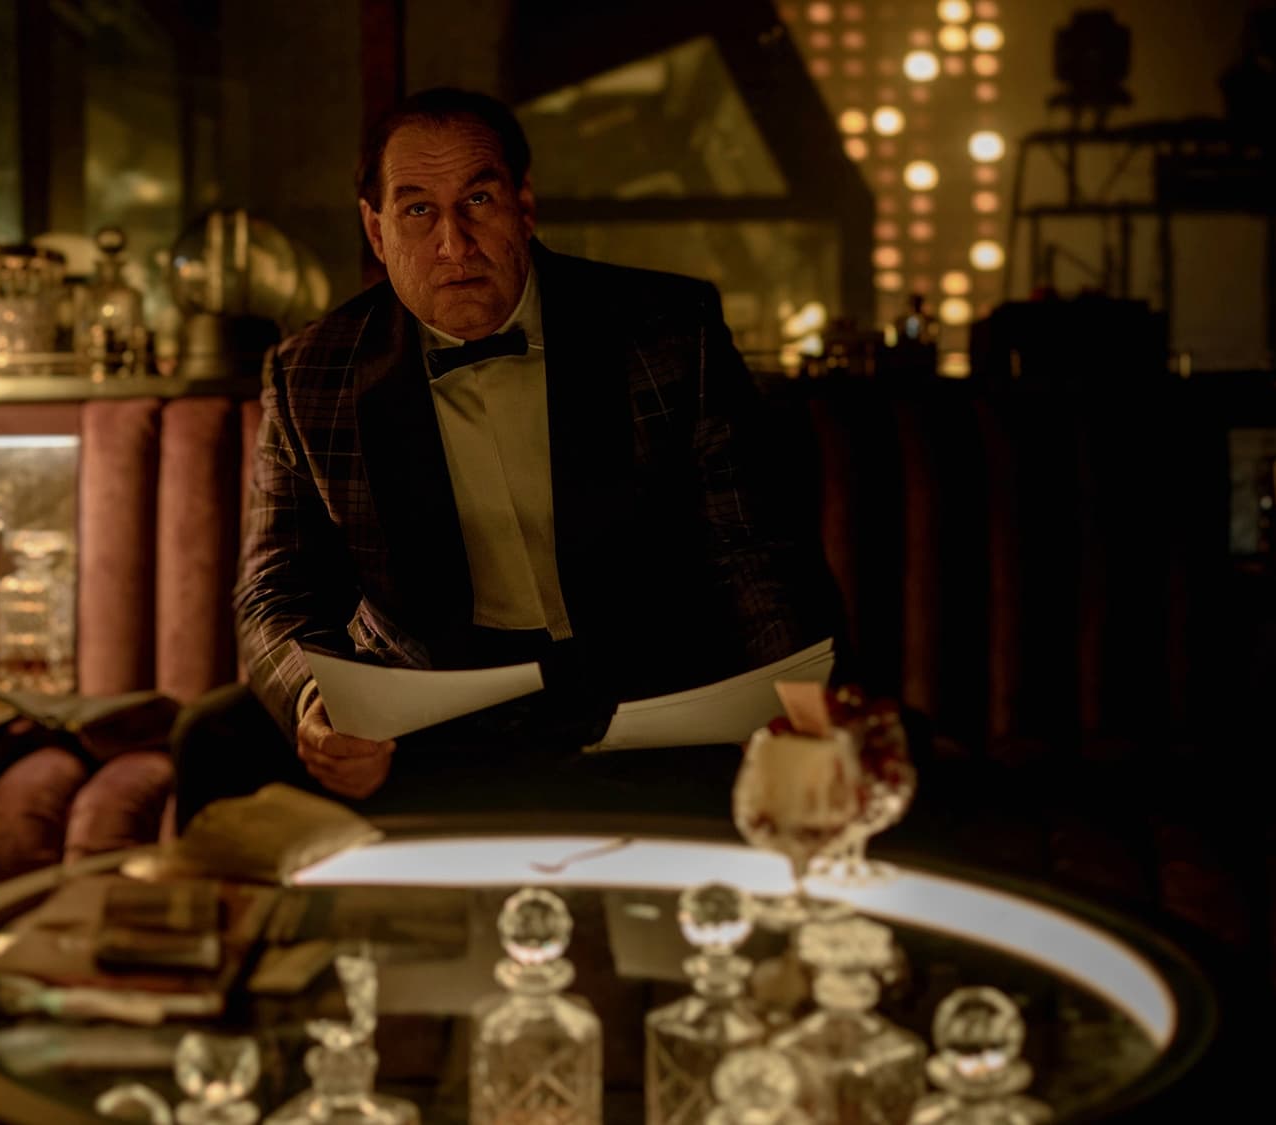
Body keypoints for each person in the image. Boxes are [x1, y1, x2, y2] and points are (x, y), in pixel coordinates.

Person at [172, 88, 842, 830]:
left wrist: (798, 709)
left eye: (478, 200)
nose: (454, 244)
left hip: (641, 698)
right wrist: (316, 703)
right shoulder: (309, 371)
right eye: (418, 210)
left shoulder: (669, 332)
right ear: (376, 230)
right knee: (214, 739)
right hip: (426, 711)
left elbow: (751, 548)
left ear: (524, 205)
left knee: (867, 762)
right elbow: (275, 587)